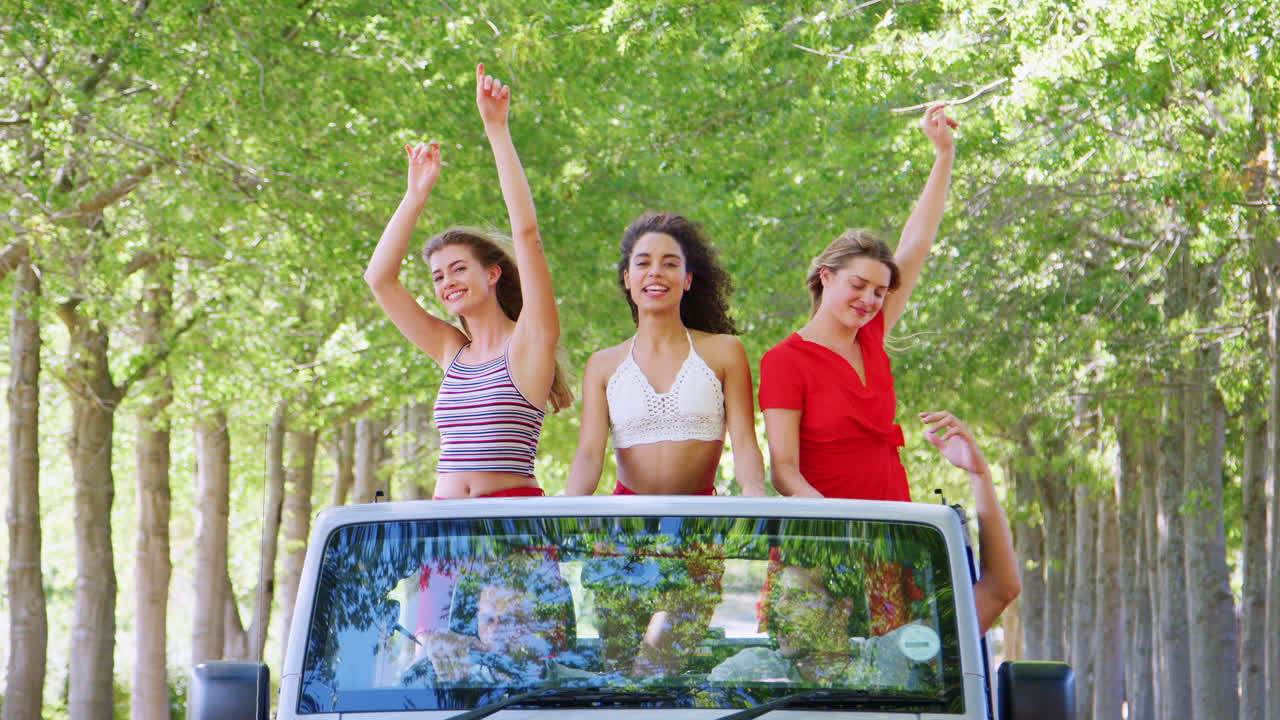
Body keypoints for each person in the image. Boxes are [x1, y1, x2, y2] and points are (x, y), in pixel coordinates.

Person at [364, 63, 570, 500]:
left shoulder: (531, 341)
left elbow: (526, 233)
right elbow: (379, 279)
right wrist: (415, 195)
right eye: (438, 276)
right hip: (446, 532)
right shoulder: (451, 350)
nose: (447, 282)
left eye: (459, 268)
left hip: (511, 528)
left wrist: (497, 130)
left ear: (492, 273)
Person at [713, 414, 1020, 684]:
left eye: (800, 597)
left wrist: (979, 476)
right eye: (780, 598)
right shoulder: (750, 670)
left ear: (843, 607)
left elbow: (998, 590)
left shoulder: (890, 657)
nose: (779, 611)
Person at [759, 105, 956, 500]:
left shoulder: (871, 336)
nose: (869, 300)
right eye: (859, 285)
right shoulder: (784, 361)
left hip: (893, 530)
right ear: (826, 276)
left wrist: (944, 156)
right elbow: (784, 472)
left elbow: (916, 246)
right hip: (824, 542)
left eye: (880, 292)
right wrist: (840, 525)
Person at [566, 212, 765, 497]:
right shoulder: (602, 365)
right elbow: (588, 455)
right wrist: (563, 519)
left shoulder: (725, 351)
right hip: (625, 527)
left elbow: (746, 443)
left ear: (687, 280)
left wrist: (754, 494)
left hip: (703, 525)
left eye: (670, 264)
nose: (655, 271)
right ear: (627, 278)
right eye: (643, 263)